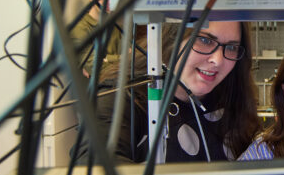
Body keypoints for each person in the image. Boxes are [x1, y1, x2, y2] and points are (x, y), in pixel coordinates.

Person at [72, 20, 260, 163]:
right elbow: (95, 173)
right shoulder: (123, 98)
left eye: (232, 47)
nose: (218, 60)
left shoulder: (232, 99)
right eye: (204, 40)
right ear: (171, 38)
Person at [70, 0, 122, 78]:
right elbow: (95, 68)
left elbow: (133, 59)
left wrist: (107, 59)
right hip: (100, 90)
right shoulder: (79, 29)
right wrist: (122, 58)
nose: (109, 2)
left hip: (123, 86)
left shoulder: (114, 25)